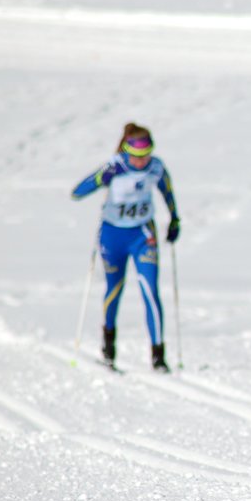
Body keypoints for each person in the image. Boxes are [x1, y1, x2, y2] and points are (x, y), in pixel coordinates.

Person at [71, 123, 181, 371]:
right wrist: (102, 178)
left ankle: (158, 356)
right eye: (136, 156)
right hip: (113, 236)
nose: (141, 162)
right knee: (114, 290)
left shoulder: (157, 167)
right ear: (126, 151)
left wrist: (175, 219)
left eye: (146, 155)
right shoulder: (115, 166)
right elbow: (77, 193)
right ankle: (108, 348)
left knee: (150, 290)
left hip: (143, 235)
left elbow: (168, 193)